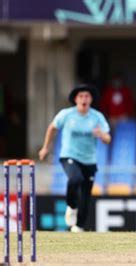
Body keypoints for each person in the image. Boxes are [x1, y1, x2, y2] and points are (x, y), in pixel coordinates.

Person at [39, 84, 111, 232]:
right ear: (76, 99)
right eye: (81, 96)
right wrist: (45, 147)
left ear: (91, 99)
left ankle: (78, 227)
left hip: (89, 160)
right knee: (75, 179)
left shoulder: (97, 116)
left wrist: (101, 135)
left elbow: (108, 139)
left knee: (85, 195)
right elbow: (52, 128)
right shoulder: (66, 114)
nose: (84, 99)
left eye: (87, 96)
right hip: (69, 156)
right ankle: (71, 206)